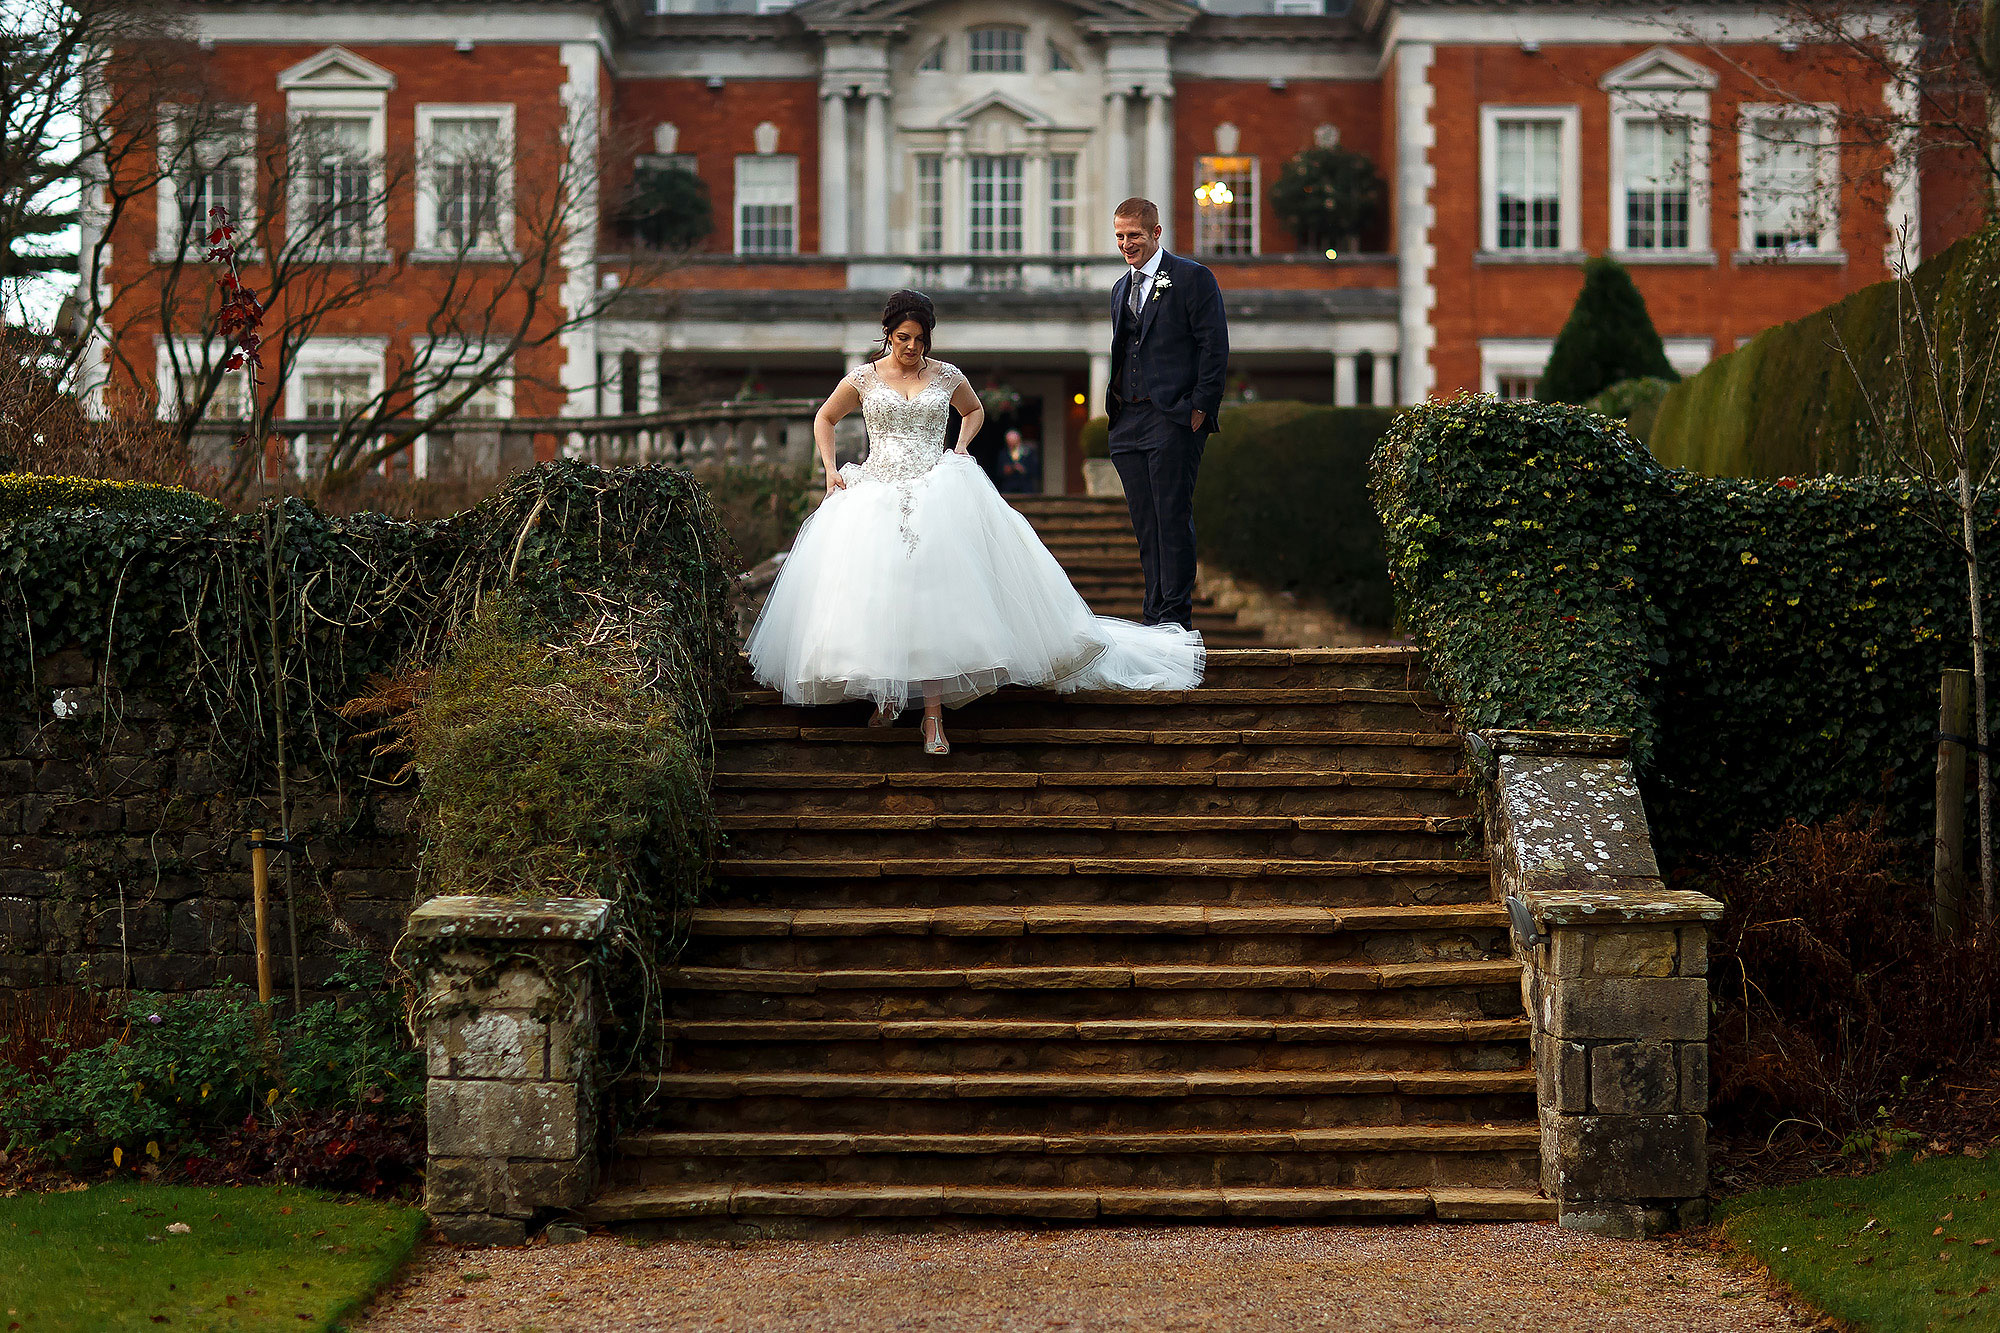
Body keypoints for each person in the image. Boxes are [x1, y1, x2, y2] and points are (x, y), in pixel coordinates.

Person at [744, 289, 1204, 756]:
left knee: (937, 598)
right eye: (903, 338)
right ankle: (886, 695)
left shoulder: (946, 375)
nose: (912, 348)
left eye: (920, 340)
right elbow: (825, 418)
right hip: (875, 490)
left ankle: (933, 717)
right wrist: (830, 469)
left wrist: (960, 448)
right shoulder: (863, 378)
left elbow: (974, 410)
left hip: (936, 489)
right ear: (886, 335)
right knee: (879, 593)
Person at [1105, 197, 1230, 632]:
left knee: (1172, 519)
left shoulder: (1193, 278)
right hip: (1129, 424)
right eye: (1120, 236)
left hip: (1175, 419)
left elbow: (1214, 346)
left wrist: (1199, 408)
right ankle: (1153, 619)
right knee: (1146, 528)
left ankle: (1174, 623)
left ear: (1156, 233)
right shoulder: (1120, 289)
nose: (1126, 244)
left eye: (1134, 236)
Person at [997, 428, 1040, 494]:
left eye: (1013, 442)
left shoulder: (1028, 452)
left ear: (1018, 440)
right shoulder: (1003, 453)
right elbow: (998, 472)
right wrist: (1007, 470)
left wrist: (1023, 469)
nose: (1011, 444)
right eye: (1009, 442)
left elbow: (1035, 470)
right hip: (1008, 488)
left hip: (1025, 488)